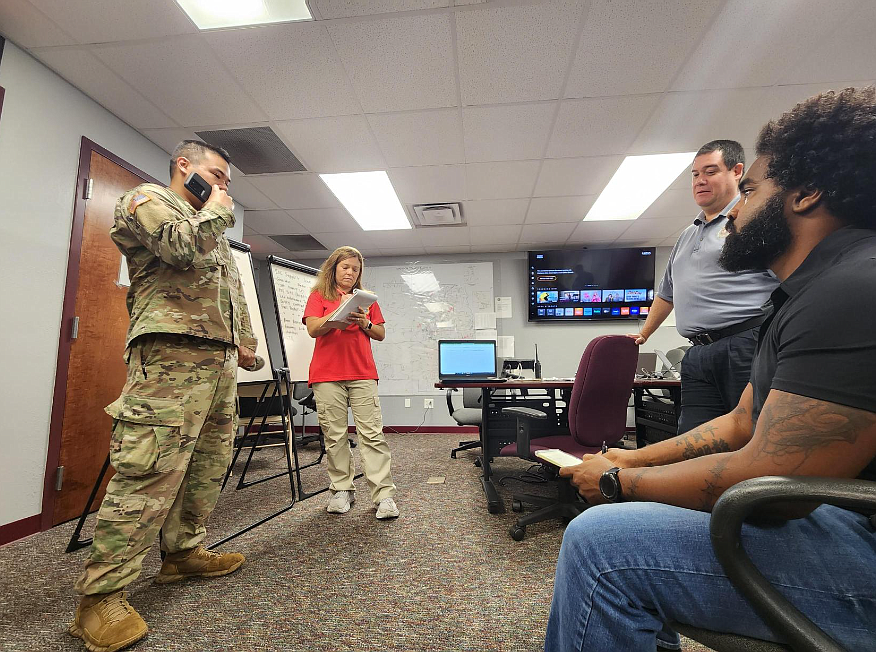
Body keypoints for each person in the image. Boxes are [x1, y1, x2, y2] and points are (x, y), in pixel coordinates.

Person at [546, 87, 876, 651]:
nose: (736, 209)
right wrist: (631, 458)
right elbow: (738, 423)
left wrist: (614, 482)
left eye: (749, 189)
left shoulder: (851, 289)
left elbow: (779, 488)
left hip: (860, 545)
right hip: (850, 515)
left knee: (600, 542)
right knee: (647, 501)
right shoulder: (808, 292)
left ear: (807, 195)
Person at [69, 140, 259, 652]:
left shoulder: (208, 224)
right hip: (169, 358)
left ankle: (182, 553)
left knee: (207, 465)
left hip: (217, 363)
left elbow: (229, 288)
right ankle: (99, 597)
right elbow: (177, 249)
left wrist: (244, 338)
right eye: (216, 175)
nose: (223, 187)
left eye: (226, 181)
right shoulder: (147, 200)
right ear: (184, 167)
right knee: (149, 471)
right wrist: (217, 212)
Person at [628, 140, 779, 435]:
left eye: (710, 172)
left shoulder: (752, 222)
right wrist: (644, 333)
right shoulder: (687, 235)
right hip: (696, 352)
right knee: (695, 438)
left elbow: (789, 279)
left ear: (737, 171)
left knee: (751, 434)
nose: (701, 181)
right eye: (695, 175)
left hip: (746, 343)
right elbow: (667, 292)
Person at [303, 246, 399, 520]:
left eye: (355, 269)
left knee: (372, 434)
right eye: (345, 267)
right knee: (334, 436)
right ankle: (341, 489)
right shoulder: (318, 296)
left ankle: (384, 496)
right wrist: (337, 319)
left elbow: (380, 333)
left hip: (362, 373)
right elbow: (312, 329)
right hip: (326, 375)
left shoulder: (366, 299)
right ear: (333, 268)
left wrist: (365, 322)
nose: (350, 272)